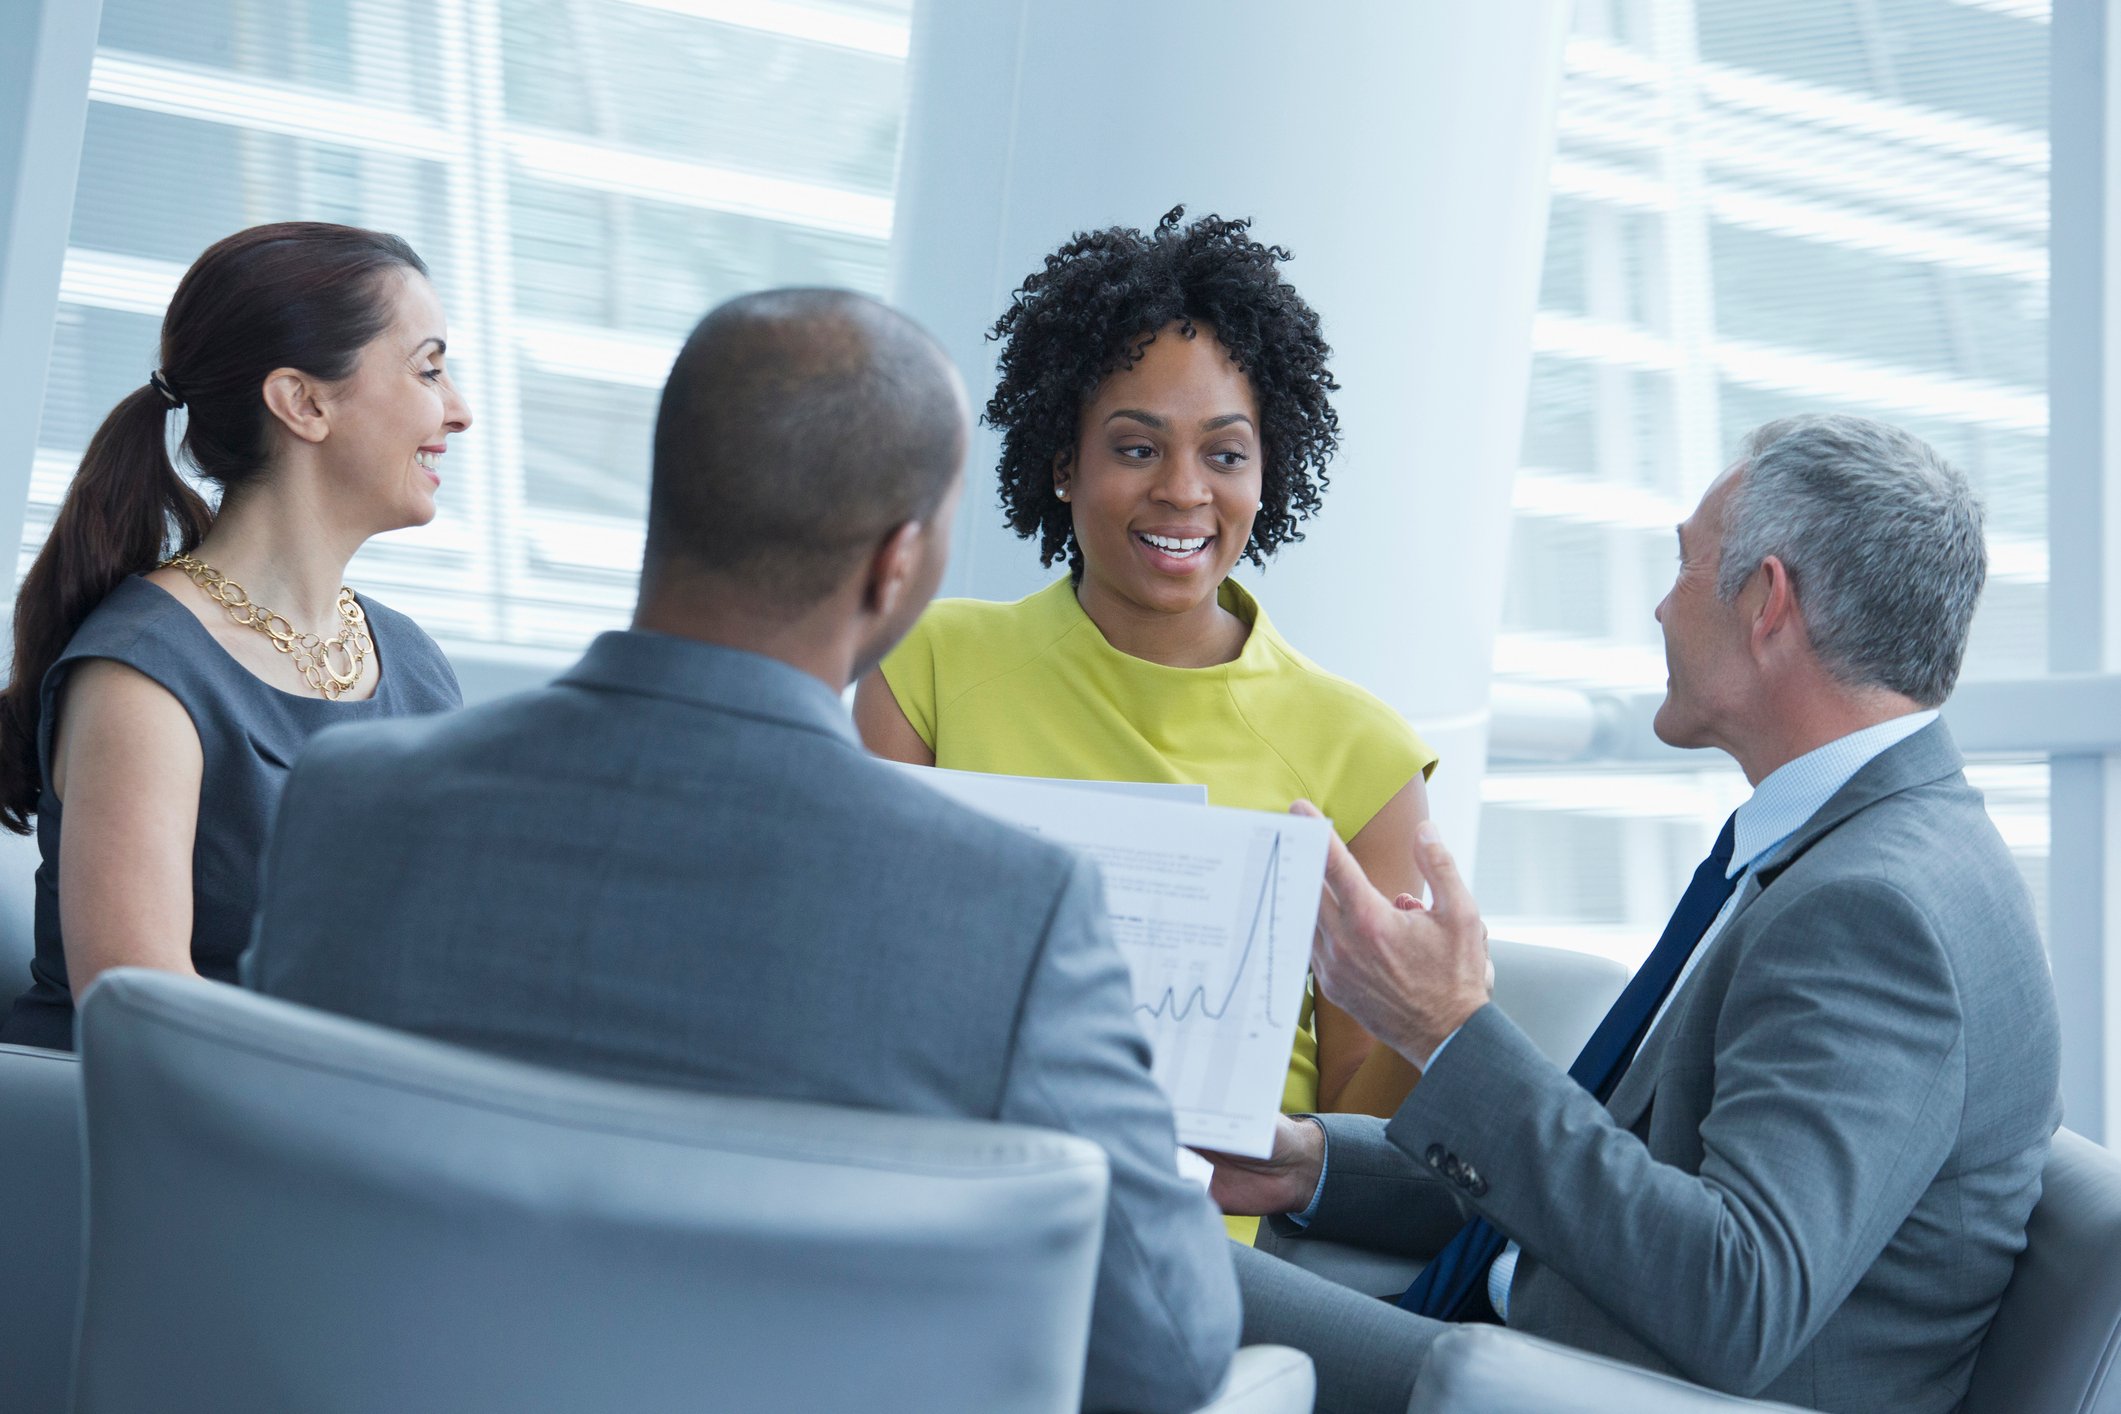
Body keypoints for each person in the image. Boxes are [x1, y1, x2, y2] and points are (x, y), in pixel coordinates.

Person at [243, 288, 1239, 1413]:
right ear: (895, 563)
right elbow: (1168, 1350)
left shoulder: (350, 806)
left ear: (669, 506)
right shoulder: (1012, 913)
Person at [1203, 414, 2061, 1414]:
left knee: (1118, 1247)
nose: (1659, 607)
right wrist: (1311, 1166)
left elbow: (1735, 1297)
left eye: (1687, 567)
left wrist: (1448, 1030)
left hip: (1558, 1384)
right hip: (1522, 1333)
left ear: (1767, 601)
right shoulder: (1847, 844)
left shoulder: (1877, 911)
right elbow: (1624, 1177)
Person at [854, 211, 1438, 1237]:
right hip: (937, 1190)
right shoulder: (929, 662)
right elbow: (855, 965)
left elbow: (1359, 1124)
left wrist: (1427, 1006)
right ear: (1062, 463)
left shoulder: (1366, 754)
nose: (1183, 491)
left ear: (1270, 472)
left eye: (1226, 454)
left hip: (1194, 1249)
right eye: (1136, 447)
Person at [0, 222, 468, 1050]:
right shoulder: (140, 677)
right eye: (430, 369)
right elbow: (143, 1015)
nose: (457, 412)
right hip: (161, 1143)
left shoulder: (416, 664)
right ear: (303, 402)